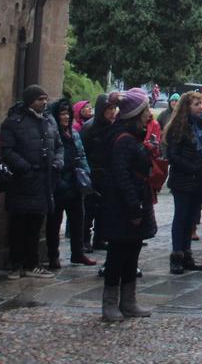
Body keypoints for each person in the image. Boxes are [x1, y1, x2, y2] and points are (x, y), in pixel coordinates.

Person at [98, 90, 157, 321]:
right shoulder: (123, 139)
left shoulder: (132, 136)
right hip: (122, 207)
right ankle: (110, 303)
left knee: (132, 253)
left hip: (133, 202)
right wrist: (133, 206)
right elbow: (121, 176)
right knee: (118, 255)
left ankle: (129, 301)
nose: (149, 114)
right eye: (145, 110)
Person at [0, 84, 63, 279]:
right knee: (19, 224)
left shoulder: (49, 120)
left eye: (45, 99)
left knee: (35, 225)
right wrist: (25, 167)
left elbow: (59, 145)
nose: (44, 102)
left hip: (44, 182)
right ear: (30, 101)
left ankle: (32, 263)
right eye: (39, 99)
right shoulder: (14, 122)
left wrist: (58, 162)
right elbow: (6, 150)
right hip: (23, 182)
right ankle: (15, 263)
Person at [165, 92, 202, 274]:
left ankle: (187, 253)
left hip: (200, 180)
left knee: (191, 218)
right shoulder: (178, 127)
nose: (200, 107)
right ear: (187, 107)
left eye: (201, 103)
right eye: (196, 104)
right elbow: (173, 155)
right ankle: (177, 255)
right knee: (181, 217)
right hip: (183, 180)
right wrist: (193, 167)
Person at [45, 98, 95, 269]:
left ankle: (77, 253)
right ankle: (53, 256)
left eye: (68, 113)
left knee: (77, 221)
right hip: (58, 185)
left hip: (75, 184)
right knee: (54, 223)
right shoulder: (52, 134)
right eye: (62, 113)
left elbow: (81, 155)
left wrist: (85, 172)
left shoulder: (73, 133)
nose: (66, 117)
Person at [81, 93, 119, 252]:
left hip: (107, 173)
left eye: (114, 108)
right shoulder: (89, 127)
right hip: (93, 172)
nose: (112, 112)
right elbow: (83, 151)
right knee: (89, 209)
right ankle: (84, 239)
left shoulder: (112, 127)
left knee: (104, 209)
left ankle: (100, 238)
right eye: (109, 108)